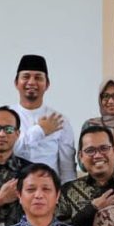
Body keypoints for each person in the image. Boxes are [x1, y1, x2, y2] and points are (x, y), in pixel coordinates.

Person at [11, 54, 77, 183]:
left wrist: (67, 192)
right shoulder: (5, 116)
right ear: (16, 83)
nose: (31, 82)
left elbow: (67, 168)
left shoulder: (59, 120)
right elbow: (7, 151)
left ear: (47, 84)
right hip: (13, 188)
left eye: (38, 78)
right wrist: (39, 131)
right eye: (26, 77)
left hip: (49, 190)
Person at [57, 126, 114, 226]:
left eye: (104, 148)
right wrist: (92, 209)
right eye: (90, 150)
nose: (97, 155)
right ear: (81, 156)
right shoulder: (68, 191)